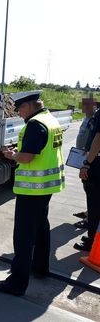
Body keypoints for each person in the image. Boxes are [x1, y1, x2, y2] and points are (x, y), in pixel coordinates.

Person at [0, 91, 65, 296]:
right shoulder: (50, 119)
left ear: (30, 106)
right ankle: (41, 268)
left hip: (33, 188)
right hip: (47, 186)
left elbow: (27, 158)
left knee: (23, 235)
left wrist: (12, 155)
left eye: (21, 108)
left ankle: (17, 282)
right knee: (41, 227)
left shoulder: (34, 124)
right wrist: (22, 150)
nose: (19, 113)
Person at [74, 106, 100, 251]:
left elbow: (99, 138)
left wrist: (87, 163)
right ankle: (94, 238)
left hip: (97, 163)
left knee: (94, 204)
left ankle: (92, 241)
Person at [72, 98, 97, 229]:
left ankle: (90, 219)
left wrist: (88, 159)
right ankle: (89, 212)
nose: (84, 108)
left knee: (91, 189)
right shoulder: (87, 118)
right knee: (86, 188)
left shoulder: (95, 119)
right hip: (81, 157)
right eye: (83, 105)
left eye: (88, 105)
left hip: (91, 159)